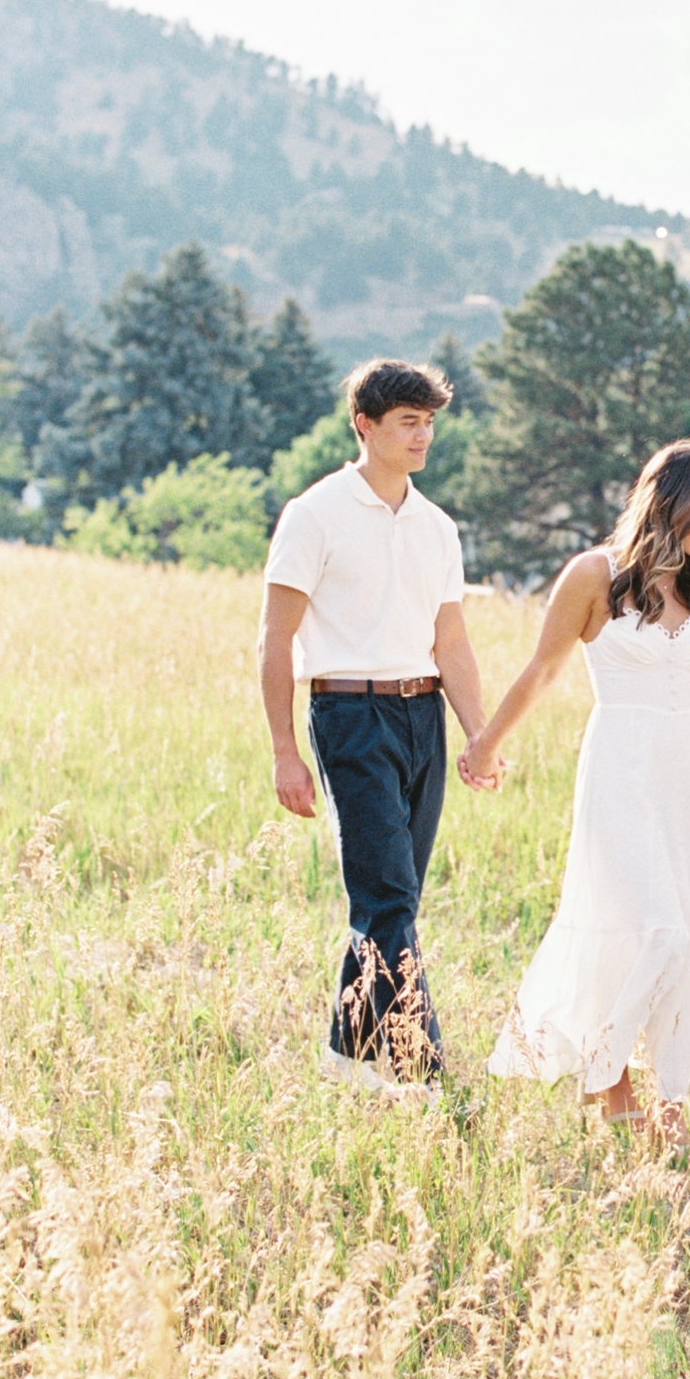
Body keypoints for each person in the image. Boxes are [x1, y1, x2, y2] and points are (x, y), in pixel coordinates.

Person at [463, 439, 690, 1147]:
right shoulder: (593, 576)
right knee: (655, 927)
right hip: (620, 768)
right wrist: (487, 742)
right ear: (670, 502)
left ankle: (667, 1095)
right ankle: (609, 1079)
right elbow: (542, 670)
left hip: (687, 771)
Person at [258, 357, 496, 1101]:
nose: (423, 436)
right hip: (348, 713)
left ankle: (349, 1056)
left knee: (390, 901)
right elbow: (274, 639)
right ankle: (421, 1072)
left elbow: (451, 642)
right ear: (365, 425)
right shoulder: (314, 513)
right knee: (388, 897)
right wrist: (284, 753)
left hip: (423, 716)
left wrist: (478, 735)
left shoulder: (438, 527)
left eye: (428, 422)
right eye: (408, 422)